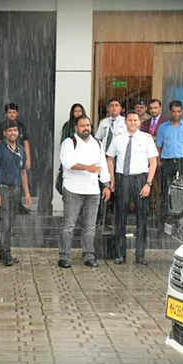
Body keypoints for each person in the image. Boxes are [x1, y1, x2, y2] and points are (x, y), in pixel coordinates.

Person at [58, 115, 111, 269]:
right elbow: (69, 163)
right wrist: (89, 168)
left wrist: (106, 185)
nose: (86, 128)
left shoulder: (97, 144)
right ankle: (64, 256)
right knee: (69, 225)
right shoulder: (69, 143)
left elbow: (103, 166)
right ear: (76, 128)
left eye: (88, 125)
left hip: (93, 191)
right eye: (82, 126)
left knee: (90, 226)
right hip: (73, 190)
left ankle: (89, 255)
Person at [106, 111, 158, 265]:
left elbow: (153, 162)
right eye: (130, 120)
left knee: (142, 218)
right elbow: (110, 158)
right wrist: (112, 179)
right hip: (123, 178)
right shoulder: (118, 138)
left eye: (135, 120)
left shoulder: (146, 139)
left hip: (141, 179)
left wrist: (148, 184)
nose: (133, 123)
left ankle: (140, 255)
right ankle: (120, 254)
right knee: (120, 217)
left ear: (139, 122)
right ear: (126, 122)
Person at [0, 120, 31, 266]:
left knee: (11, 222)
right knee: (3, 223)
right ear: (5, 133)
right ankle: (5, 254)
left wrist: (27, 193)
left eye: (15, 130)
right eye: (10, 131)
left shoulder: (21, 150)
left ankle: (3, 253)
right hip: (3, 189)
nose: (13, 133)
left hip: (17, 189)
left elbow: (23, 172)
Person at [156, 100, 183, 223]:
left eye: (178, 111)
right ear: (170, 112)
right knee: (166, 191)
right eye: (174, 111)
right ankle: (165, 220)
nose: (176, 114)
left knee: (182, 191)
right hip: (167, 162)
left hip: (181, 162)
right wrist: (158, 160)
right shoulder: (163, 127)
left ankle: (181, 219)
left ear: (182, 112)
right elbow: (158, 145)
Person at [141, 99, 169, 213]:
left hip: (162, 157)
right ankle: (149, 209)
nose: (153, 110)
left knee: (161, 186)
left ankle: (159, 210)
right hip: (147, 158)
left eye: (155, 108)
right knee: (148, 183)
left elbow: (168, 138)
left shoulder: (166, 122)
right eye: (151, 108)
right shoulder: (145, 123)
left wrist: (156, 139)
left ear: (160, 108)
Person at [0, 103, 31, 170]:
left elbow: (25, 142)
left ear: (17, 113)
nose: (12, 114)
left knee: (21, 176)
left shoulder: (22, 127)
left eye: (14, 112)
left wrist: (28, 158)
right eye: (10, 112)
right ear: (6, 114)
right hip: (5, 157)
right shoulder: (1, 127)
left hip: (20, 156)